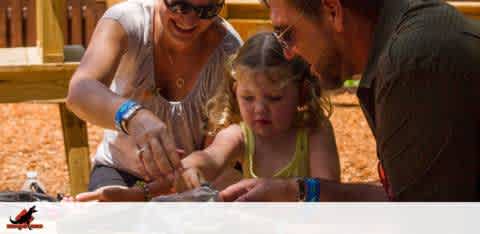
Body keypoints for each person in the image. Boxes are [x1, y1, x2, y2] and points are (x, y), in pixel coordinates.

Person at [220, 0, 480, 201]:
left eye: (286, 34)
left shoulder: (413, 63)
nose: (288, 54)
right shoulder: (407, 34)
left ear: (332, 10)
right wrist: (296, 190)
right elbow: (403, 198)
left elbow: (427, 222)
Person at [66, 0, 242, 201]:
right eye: (179, 5)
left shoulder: (228, 49)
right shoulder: (126, 21)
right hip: (120, 171)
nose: (190, 20)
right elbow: (80, 91)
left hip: (187, 179)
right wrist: (133, 117)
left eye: (207, 10)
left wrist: (155, 192)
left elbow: (216, 152)